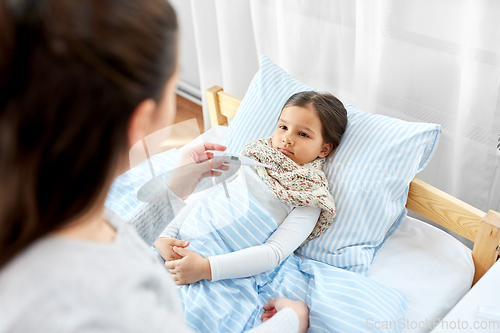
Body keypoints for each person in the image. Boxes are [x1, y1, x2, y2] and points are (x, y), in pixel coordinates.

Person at [0, 0, 309, 332]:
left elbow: (108, 247)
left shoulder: (39, 215)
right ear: (143, 120)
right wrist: (293, 320)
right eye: (173, 85)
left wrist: (177, 185)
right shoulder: (131, 310)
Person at [154, 91, 348, 285]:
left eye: (303, 134)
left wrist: (206, 268)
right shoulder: (252, 158)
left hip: (221, 273)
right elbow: (202, 195)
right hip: (177, 246)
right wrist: (163, 236)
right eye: (283, 127)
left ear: (324, 149)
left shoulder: (310, 197)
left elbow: (274, 252)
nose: (287, 138)